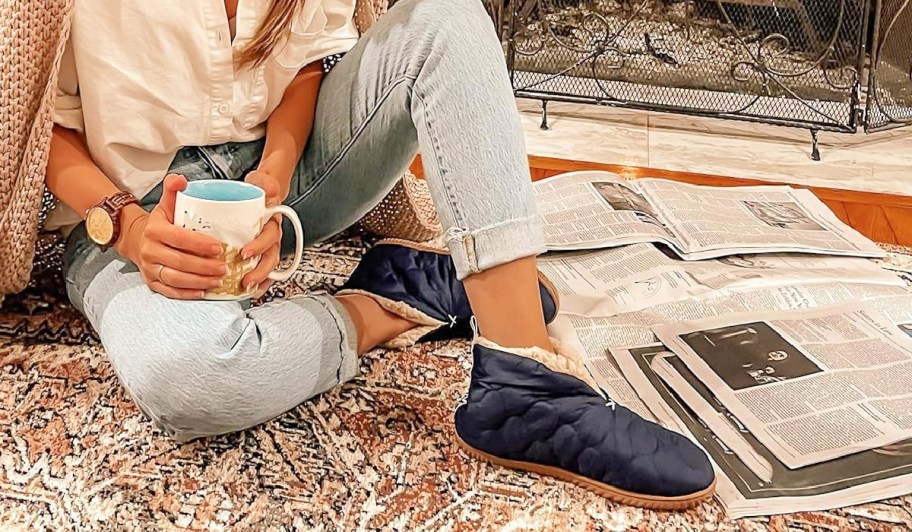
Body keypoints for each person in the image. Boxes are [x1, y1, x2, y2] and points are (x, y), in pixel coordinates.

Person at [46, 0, 714, 508]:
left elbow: (302, 64)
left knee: (444, 17)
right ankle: (388, 301)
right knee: (193, 378)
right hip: (119, 210)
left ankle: (524, 385)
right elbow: (25, 107)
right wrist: (128, 228)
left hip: (282, 184)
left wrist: (274, 178)